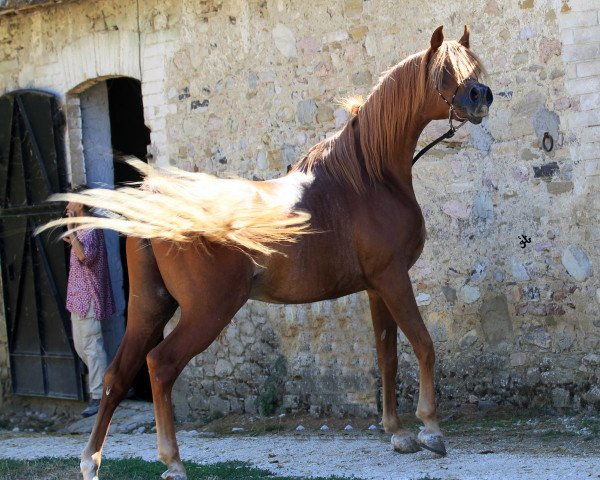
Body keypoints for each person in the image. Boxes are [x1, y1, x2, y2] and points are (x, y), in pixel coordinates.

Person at [64, 194, 115, 417]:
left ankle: (99, 396)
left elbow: (86, 257)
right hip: (77, 298)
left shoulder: (92, 229)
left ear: (81, 204)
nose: (67, 207)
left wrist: (72, 232)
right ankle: (112, 381)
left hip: (89, 297)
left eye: (70, 202)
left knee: (93, 347)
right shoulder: (81, 228)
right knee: (81, 348)